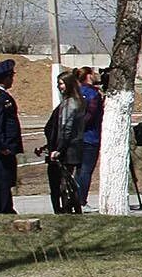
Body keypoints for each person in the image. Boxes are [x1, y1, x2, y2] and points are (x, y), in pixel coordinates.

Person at [42, 70, 87, 213]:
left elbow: (66, 129)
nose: (59, 87)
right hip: (73, 148)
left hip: (67, 150)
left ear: (69, 84)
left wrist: (58, 149)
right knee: (68, 183)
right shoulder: (76, 101)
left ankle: (64, 210)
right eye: (58, 84)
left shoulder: (70, 104)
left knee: (61, 184)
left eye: (61, 83)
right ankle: (69, 208)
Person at [75, 67, 102, 208]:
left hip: (78, 138)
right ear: (89, 76)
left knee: (79, 170)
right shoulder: (92, 94)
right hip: (91, 137)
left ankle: (76, 199)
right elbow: (90, 115)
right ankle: (81, 200)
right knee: (86, 170)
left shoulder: (76, 92)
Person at [0, 59, 19, 214]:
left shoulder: (2, 96)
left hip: (4, 151)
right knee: (0, 185)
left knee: (5, 185)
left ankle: (7, 210)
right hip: (0, 153)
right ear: (6, 77)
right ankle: (2, 213)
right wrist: (2, 147)